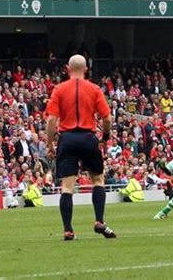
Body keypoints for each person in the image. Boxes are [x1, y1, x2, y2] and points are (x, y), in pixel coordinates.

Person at [45, 55, 116, 240]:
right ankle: (99, 221)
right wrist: (105, 137)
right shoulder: (94, 89)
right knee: (98, 180)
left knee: (67, 187)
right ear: (86, 69)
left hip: (67, 138)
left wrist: (50, 144)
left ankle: (68, 230)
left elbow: (51, 120)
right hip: (87, 137)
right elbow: (107, 118)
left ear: (67, 68)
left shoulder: (59, 90)